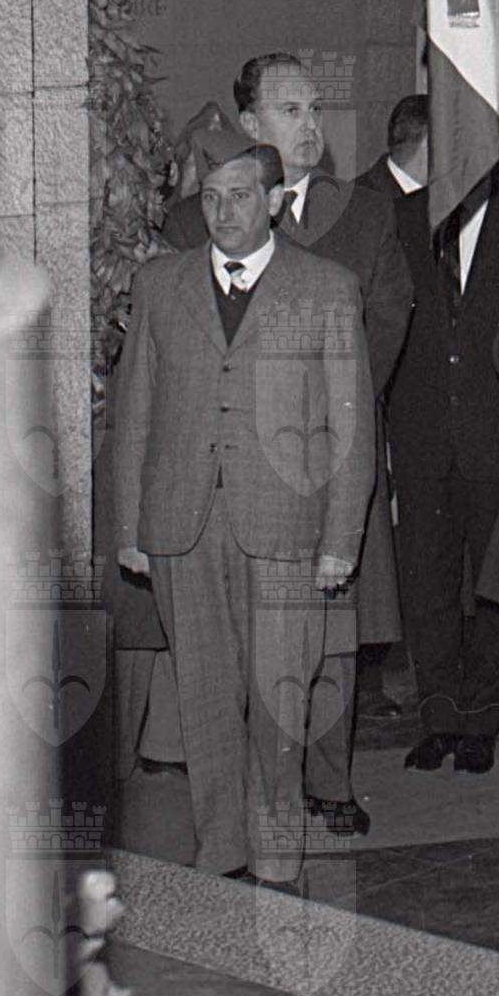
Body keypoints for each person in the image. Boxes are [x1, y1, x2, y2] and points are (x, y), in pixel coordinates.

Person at [113, 130, 376, 887]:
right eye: (210, 198)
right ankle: (220, 848)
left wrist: (341, 539)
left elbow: (351, 425)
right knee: (203, 697)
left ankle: (277, 851)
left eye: (238, 196)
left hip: (287, 529)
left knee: (280, 696)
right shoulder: (160, 285)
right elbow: (135, 413)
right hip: (182, 527)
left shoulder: (326, 289)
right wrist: (131, 528)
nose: (223, 212)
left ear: (274, 201)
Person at [162, 54, 413, 837]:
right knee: (235, 648)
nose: (311, 126)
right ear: (251, 125)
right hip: (230, 470)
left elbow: (388, 316)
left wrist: (332, 412)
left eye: (316, 110)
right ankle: (246, 801)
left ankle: (329, 782)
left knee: (332, 632)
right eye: (291, 111)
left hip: (327, 456)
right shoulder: (192, 221)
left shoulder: (363, 213)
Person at [375, 94, 499, 772]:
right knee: (426, 587)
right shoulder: (399, 219)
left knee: (494, 590)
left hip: (497, 438)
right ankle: (438, 716)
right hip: (419, 438)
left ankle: (480, 720)